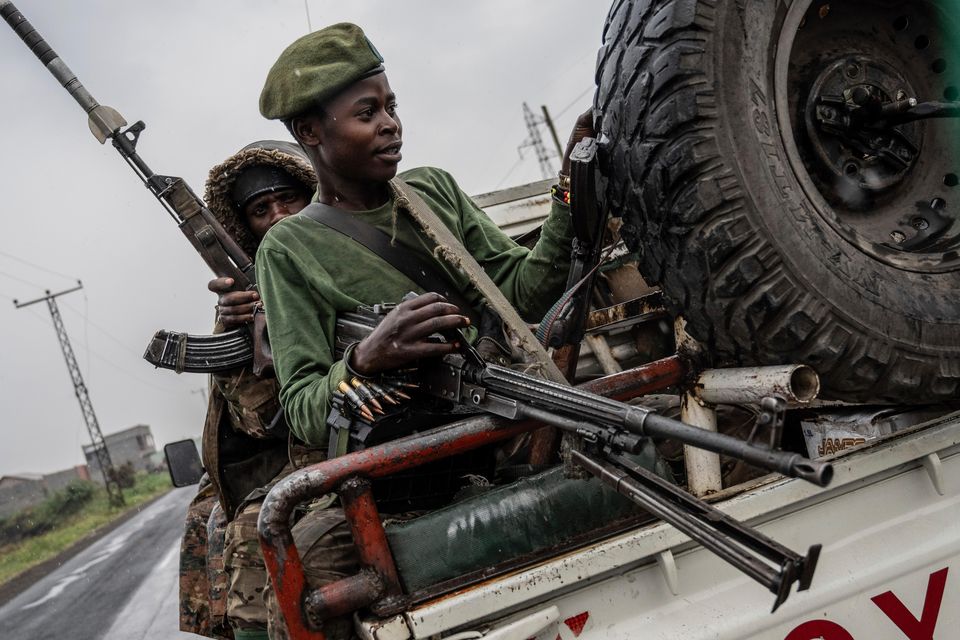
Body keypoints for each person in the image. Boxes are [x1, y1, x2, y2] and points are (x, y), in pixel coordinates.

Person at [253, 23, 594, 639]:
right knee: (304, 580)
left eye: (391, 106)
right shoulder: (288, 247)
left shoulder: (430, 191)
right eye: (367, 112)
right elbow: (303, 405)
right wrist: (365, 358)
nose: (390, 123)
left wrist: (571, 189)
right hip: (394, 478)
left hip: (498, 426)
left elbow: (521, 289)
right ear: (311, 132)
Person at [178, 140, 317, 640]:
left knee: (247, 527)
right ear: (245, 228)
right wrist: (238, 333)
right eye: (261, 210)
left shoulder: (355, 248)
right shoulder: (250, 299)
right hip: (288, 446)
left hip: (337, 439)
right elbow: (258, 421)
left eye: (289, 199)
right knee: (208, 513)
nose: (279, 216)